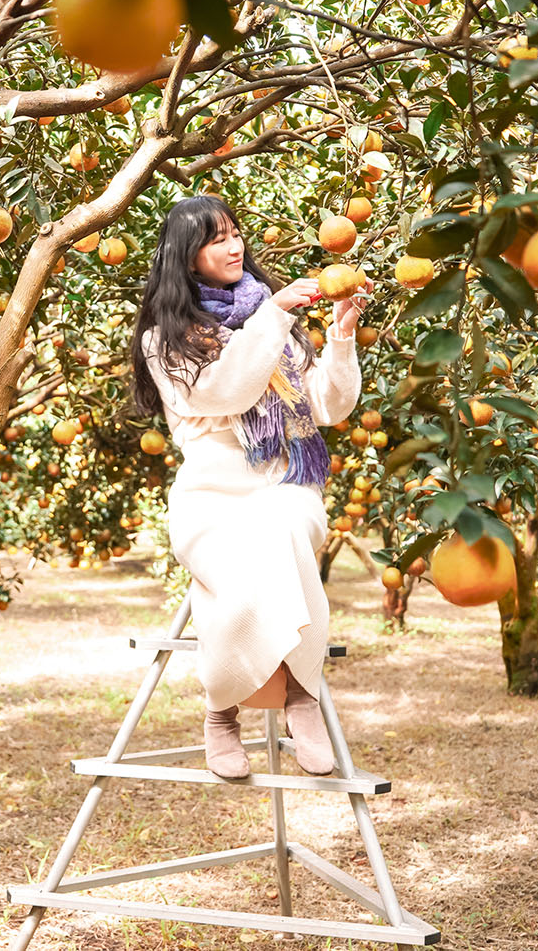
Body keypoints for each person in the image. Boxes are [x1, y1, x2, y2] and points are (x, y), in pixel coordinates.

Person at [127, 194, 369, 780]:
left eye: (235, 234)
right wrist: (275, 316)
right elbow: (225, 392)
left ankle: (301, 697)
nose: (234, 247)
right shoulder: (166, 338)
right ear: (187, 257)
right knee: (242, 560)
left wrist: (340, 337)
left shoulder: (270, 320)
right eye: (216, 240)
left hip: (285, 484)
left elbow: (327, 407)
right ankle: (223, 709)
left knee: (280, 531)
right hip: (211, 498)